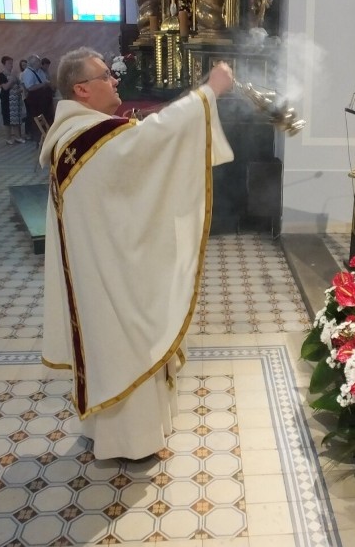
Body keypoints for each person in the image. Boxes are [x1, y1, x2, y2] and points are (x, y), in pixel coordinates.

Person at [39, 47, 234, 460]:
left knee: (106, 344)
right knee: (126, 339)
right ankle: (135, 441)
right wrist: (208, 93)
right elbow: (150, 141)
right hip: (113, 271)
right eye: (106, 76)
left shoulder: (72, 135)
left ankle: (106, 431)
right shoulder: (87, 137)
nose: (115, 80)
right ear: (82, 89)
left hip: (102, 263)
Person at [0, 56, 25, 145]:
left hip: (16, 101)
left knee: (16, 119)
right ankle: (8, 138)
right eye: (9, 63)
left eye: (12, 63)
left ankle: (17, 137)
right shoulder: (1, 75)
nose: (11, 65)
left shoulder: (14, 75)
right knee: (7, 119)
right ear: (4, 64)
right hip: (7, 101)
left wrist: (20, 89)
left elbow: (21, 85)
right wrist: (11, 81)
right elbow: (5, 87)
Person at [21, 55, 54, 127]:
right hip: (35, 98)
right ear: (34, 63)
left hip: (43, 98)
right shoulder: (27, 72)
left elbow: (44, 80)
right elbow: (30, 87)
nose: (40, 63)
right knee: (36, 117)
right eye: (38, 61)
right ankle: (36, 134)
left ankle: (46, 131)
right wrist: (43, 84)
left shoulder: (39, 71)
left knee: (46, 116)